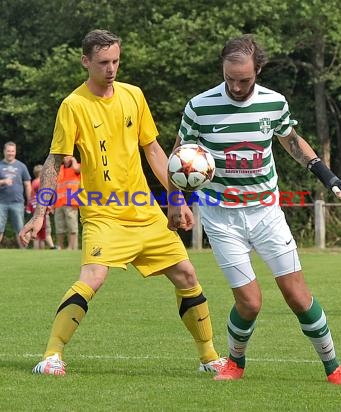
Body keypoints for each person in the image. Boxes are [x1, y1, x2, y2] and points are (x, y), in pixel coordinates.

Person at [19, 29, 225, 376]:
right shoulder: (74, 105)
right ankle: (51, 356)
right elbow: (55, 160)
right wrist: (41, 212)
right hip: (103, 214)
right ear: (86, 61)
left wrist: (177, 198)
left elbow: (155, 151)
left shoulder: (134, 96)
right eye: (103, 62)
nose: (111, 68)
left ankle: (209, 359)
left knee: (187, 274)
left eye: (115, 60)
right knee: (93, 277)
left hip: (145, 211)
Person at [167, 34, 341, 385]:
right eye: (230, 79)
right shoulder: (199, 106)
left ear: (258, 70)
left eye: (245, 80)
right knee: (250, 302)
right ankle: (235, 363)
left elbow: (290, 141)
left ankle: (333, 367)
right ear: (222, 70)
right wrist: (176, 201)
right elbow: (179, 158)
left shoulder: (274, 103)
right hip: (221, 216)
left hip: (266, 213)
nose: (237, 87)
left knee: (298, 296)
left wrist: (326, 174)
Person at [0, 141, 31, 249]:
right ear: (4, 152)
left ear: (15, 152)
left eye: (12, 151)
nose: (10, 153)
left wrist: (30, 201)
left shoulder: (21, 166)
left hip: (17, 202)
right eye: (8, 151)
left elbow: (27, 184)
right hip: (0, 202)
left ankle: (23, 251)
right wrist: (3, 181)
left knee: (20, 228)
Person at [53, 156, 81, 250]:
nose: (65, 159)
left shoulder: (76, 167)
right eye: (64, 157)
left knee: (72, 227)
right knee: (59, 226)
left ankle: (72, 247)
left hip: (71, 202)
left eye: (68, 157)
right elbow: (55, 187)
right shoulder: (60, 169)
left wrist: (74, 160)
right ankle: (60, 246)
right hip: (59, 202)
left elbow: (77, 169)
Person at [27, 164, 56, 250]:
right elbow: (45, 195)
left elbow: (32, 198)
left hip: (34, 211)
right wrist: (50, 206)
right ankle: (48, 248)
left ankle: (36, 251)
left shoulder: (33, 182)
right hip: (42, 212)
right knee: (44, 233)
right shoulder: (41, 182)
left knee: (36, 234)